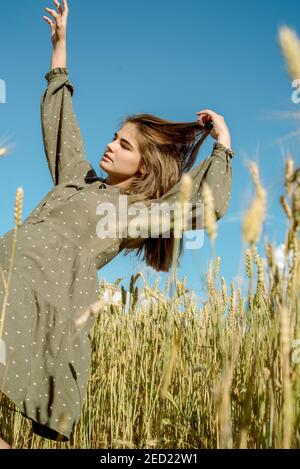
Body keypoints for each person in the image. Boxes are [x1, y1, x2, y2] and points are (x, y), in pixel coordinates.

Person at [0, 0, 235, 448]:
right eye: (114, 136)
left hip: (43, 293)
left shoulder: (137, 213)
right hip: (6, 263)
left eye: (124, 144)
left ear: (143, 166)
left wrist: (222, 146)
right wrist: (60, 50)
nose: (111, 145)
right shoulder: (77, 175)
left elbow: (200, 206)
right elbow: (61, 124)